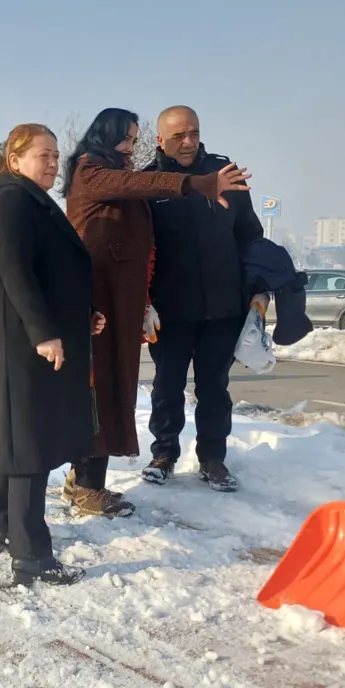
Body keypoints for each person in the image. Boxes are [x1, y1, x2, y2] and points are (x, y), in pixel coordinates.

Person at [62, 108, 250, 516]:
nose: (132, 146)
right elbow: (136, 185)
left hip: (126, 303)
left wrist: (143, 301)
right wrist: (198, 184)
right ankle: (86, 483)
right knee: (101, 390)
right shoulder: (91, 171)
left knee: (116, 390)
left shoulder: (119, 173)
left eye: (134, 139)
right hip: (97, 301)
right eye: (127, 139)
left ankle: (87, 481)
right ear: (105, 138)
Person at [0, 123, 103, 587]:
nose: (53, 162)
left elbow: (49, 275)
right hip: (16, 346)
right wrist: (44, 333)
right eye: (43, 155)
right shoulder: (12, 203)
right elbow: (16, 273)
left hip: (19, 342)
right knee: (29, 450)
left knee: (14, 443)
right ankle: (32, 557)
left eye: (56, 155)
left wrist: (80, 318)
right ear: (15, 159)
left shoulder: (30, 202)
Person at [142, 105, 263, 493]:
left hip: (222, 308)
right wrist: (143, 301)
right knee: (167, 385)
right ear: (160, 139)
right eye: (178, 136)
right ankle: (164, 454)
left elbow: (250, 236)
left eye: (193, 132)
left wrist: (259, 290)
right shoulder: (148, 184)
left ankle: (213, 459)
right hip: (170, 311)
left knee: (214, 387)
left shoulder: (224, 175)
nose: (189, 141)